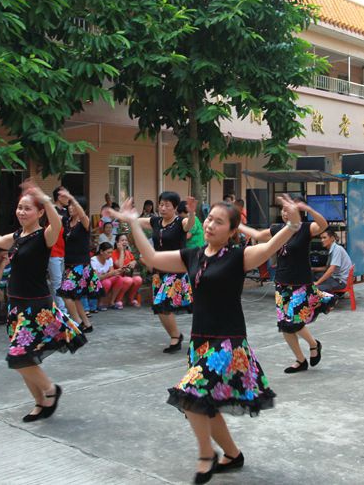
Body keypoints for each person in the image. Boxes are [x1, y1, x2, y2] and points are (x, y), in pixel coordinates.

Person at [110, 195, 302, 483]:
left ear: (232, 231)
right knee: (203, 405)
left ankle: (206, 454)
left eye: (219, 222)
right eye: (210, 218)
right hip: (199, 343)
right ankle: (233, 455)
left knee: (190, 395)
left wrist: (292, 225)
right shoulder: (193, 255)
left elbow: (269, 246)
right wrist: (132, 223)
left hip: (228, 343)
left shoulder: (239, 257)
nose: (211, 224)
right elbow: (151, 258)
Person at [0, 183, 85, 422]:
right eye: (20, 207)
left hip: (35, 307)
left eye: (27, 208)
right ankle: (40, 402)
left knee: (19, 357)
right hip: (16, 307)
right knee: (24, 359)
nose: (21, 212)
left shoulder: (44, 236)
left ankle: (50, 390)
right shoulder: (17, 237)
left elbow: (57, 224)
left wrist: (45, 199)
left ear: (40, 213)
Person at [239, 199, 335, 374]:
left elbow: (323, 225)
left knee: (293, 322)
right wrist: (237, 225)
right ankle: (301, 359)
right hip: (282, 282)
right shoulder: (278, 230)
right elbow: (258, 235)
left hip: (300, 283)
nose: (284, 213)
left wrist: (309, 209)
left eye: (288, 209)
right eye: (282, 210)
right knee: (285, 325)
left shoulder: (306, 228)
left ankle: (313, 344)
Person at [134, 191, 196, 353]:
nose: (162, 208)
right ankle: (175, 336)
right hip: (159, 270)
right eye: (161, 204)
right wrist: (123, 215)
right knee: (160, 307)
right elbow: (135, 221)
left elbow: (190, 225)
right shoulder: (155, 221)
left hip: (176, 269)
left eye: (167, 205)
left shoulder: (180, 222)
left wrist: (192, 213)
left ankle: (191, 335)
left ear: (175, 208)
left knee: (162, 302)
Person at [57, 194, 99, 332]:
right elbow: (54, 215)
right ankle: (87, 324)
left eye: (74, 205)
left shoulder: (84, 222)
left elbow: (82, 215)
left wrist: (72, 198)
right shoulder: (66, 221)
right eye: (69, 205)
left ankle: (78, 322)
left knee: (66, 294)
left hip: (80, 265)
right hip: (69, 264)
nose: (70, 208)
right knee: (74, 297)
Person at [47, 187, 69, 315]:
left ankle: (57, 308)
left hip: (63, 251)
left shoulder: (66, 211)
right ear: (59, 197)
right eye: (66, 195)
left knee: (60, 282)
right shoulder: (51, 211)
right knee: (56, 283)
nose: (68, 198)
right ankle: (63, 312)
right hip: (53, 251)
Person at [313, 228, 352, 293]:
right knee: (316, 274)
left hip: (340, 282)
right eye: (321, 238)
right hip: (335, 278)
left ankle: (330, 296)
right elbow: (327, 268)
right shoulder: (332, 249)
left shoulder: (337, 249)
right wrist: (313, 269)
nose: (322, 240)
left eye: (324, 238)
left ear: (332, 238)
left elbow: (331, 270)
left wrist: (317, 282)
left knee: (315, 288)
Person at [112, 233, 143, 308]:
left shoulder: (128, 252)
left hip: (127, 276)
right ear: (117, 242)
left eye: (126, 240)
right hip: (117, 277)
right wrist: (121, 251)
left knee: (138, 279)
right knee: (128, 280)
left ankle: (131, 299)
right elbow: (119, 266)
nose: (125, 242)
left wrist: (133, 262)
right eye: (122, 240)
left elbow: (134, 260)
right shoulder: (113, 253)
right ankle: (118, 300)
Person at [91, 243, 122, 310]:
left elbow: (112, 272)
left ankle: (112, 302)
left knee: (119, 278)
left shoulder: (109, 259)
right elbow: (96, 278)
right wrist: (109, 274)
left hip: (105, 279)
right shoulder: (93, 260)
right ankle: (100, 303)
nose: (110, 255)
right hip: (95, 283)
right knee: (107, 282)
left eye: (111, 253)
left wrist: (118, 271)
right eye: (108, 252)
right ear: (101, 252)